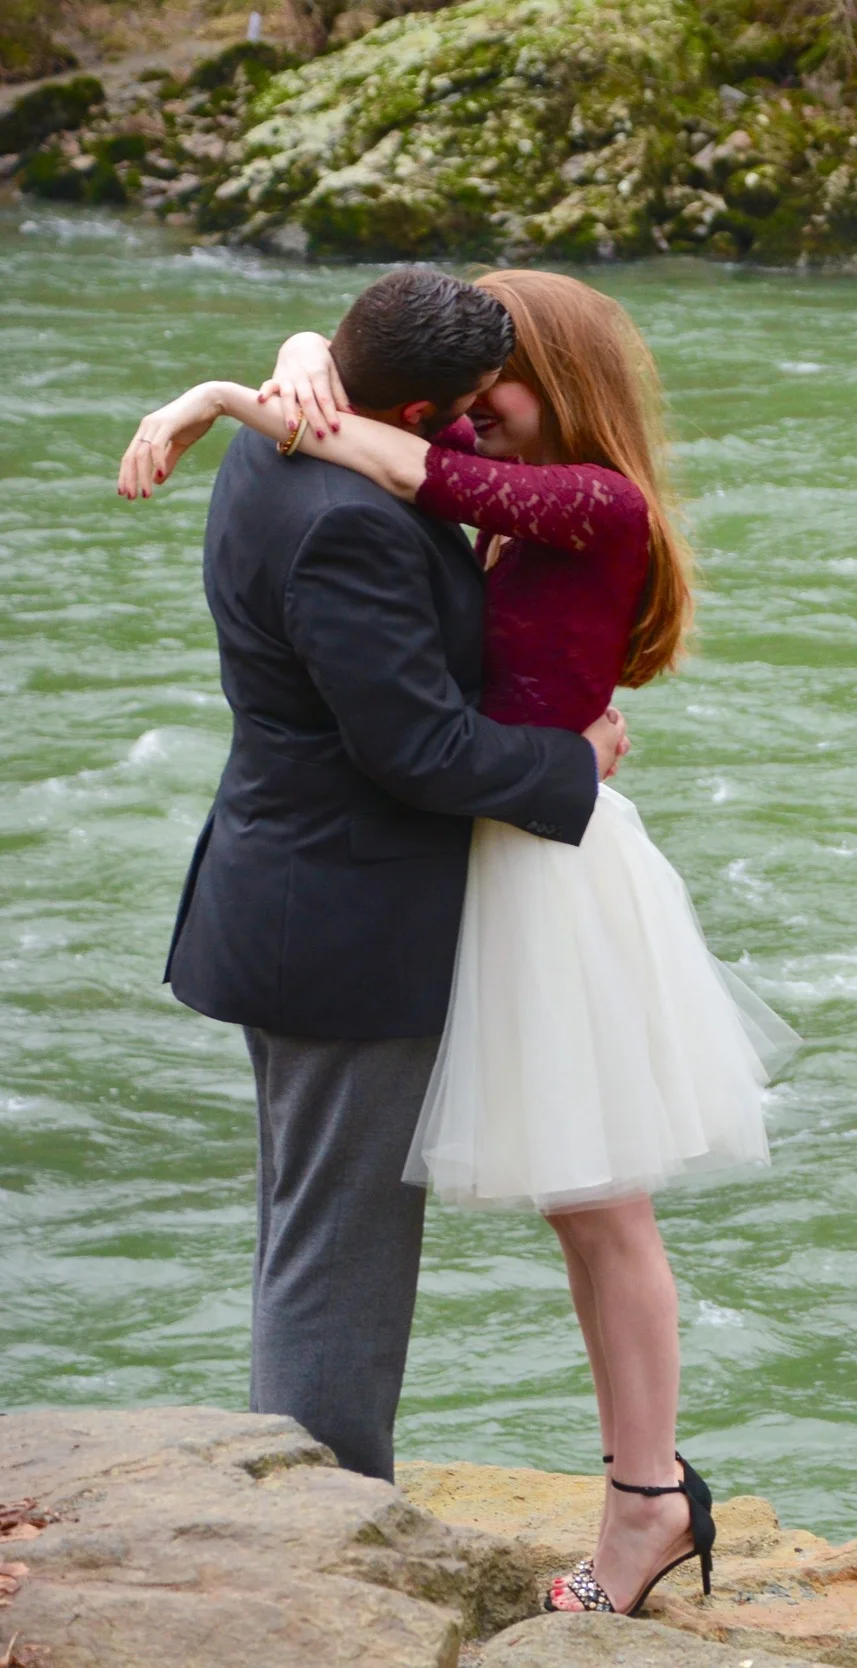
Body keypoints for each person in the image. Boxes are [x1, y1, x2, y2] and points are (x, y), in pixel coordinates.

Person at [120, 268, 794, 1619]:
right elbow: (419, 726)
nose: (477, 416)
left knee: (581, 1204)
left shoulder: (549, 492)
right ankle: (315, 1557)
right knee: (341, 1249)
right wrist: (267, 367)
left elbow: (424, 474)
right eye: (465, 396)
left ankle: (638, 1500)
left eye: (500, 392)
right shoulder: (373, 475)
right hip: (397, 887)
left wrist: (255, 387)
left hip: (501, 871)